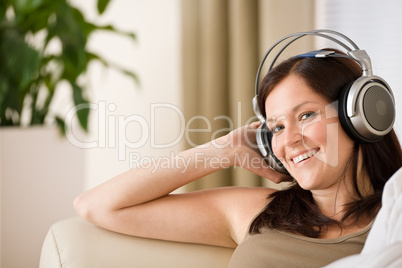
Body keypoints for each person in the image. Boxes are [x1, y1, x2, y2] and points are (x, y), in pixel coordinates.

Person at [74, 48, 402, 267]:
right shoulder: (257, 211)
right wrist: (225, 150)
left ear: (360, 114)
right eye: (275, 127)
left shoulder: (393, 222)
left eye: (305, 116)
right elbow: (98, 205)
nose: (288, 140)